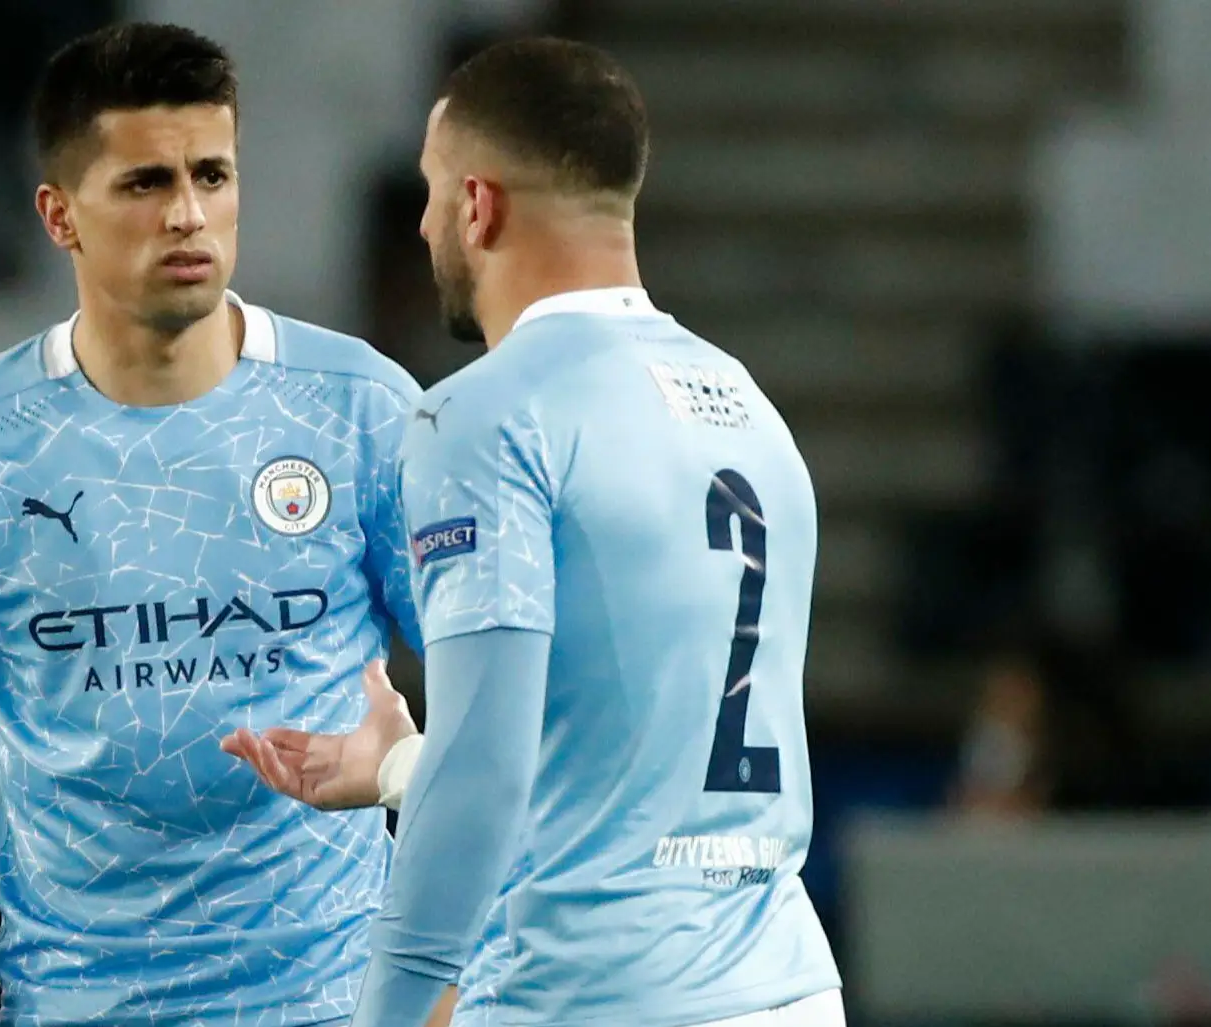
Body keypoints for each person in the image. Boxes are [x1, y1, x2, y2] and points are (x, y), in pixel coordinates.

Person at [0, 21, 494, 1027]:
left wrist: (445, 975)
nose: (189, 214)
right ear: (59, 216)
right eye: (144, 183)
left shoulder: (358, 407)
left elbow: (492, 694)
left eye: (212, 175)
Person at [226, 38, 845, 1027]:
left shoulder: (480, 416)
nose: (424, 220)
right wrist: (392, 767)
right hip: (783, 990)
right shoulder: (742, 402)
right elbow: (641, 764)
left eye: (431, 191)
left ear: (477, 205)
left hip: (589, 998)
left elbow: (485, 773)